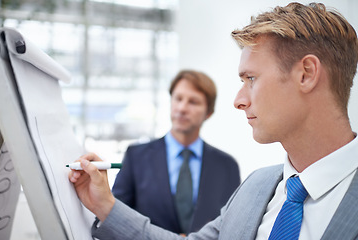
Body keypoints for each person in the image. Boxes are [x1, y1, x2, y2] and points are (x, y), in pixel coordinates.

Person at [68, 2, 358, 239]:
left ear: (306, 74)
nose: (238, 100)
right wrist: (103, 205)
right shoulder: (256, 187)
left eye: (251, 79)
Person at [111, 70, 241, 234]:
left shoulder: (226, 166)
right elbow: (116, 216)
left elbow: (233, 225)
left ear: (208, 113)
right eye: (178, 99)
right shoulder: (136, 156)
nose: (182, 108)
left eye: (193, 102)